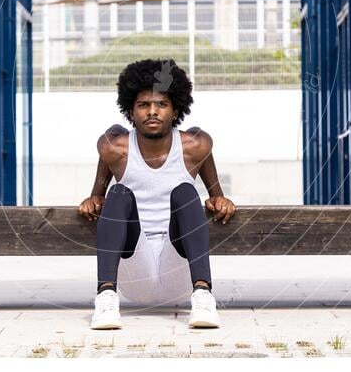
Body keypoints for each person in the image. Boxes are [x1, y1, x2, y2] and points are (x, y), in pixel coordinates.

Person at [78, 58, 236, 330]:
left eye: (161, 104)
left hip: (179, 268)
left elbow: (215, 197)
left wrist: (220, 199)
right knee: (119, 191)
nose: (153, 111)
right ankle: (105, 298)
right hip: (132, 267)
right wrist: (94, 197)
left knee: (186, 191)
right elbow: (98, 197)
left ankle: (203, 296)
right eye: (143, 105)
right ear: (130, 110)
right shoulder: (115, 148)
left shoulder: (195, 146)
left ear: (175, 110)